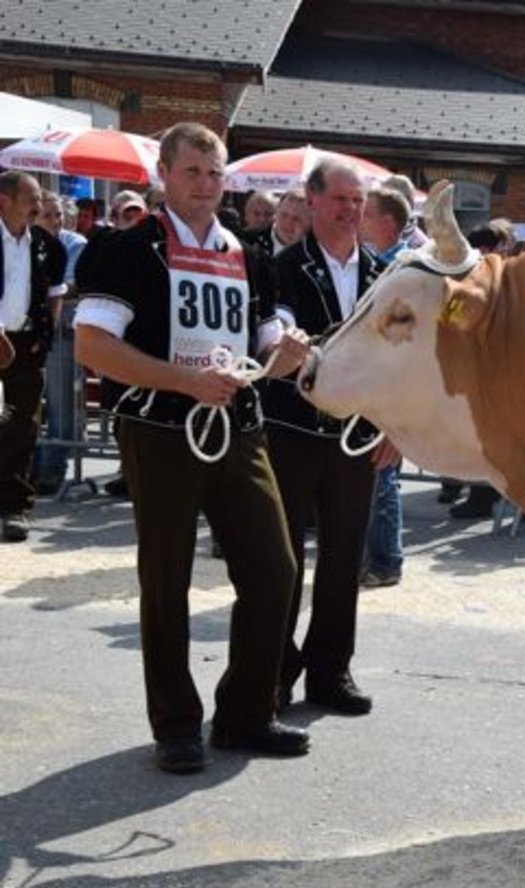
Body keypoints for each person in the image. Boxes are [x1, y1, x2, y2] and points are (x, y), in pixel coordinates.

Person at [72, 122, 312, 772]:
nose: (206, 185)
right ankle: (176, 724)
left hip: (238, 428)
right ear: (164, 175)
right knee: (167, 579)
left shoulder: (249, 255)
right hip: (160, 430)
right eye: (192, 172)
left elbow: (267, 347)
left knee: (276, 569)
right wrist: (185, 380)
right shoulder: (127, 250)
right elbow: (93, 346)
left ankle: (245, 713)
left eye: (214, 173)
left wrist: (288, 355)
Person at [263, 157, 390, 714]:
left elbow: (399, 359)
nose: (350, 210)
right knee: (283, 560)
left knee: (344, 559)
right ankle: (274, 671)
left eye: (358, 201)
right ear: (311, 200)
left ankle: (331, 671)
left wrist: (394, 425)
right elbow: (279, 340)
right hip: (292, 430)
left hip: (356, 436)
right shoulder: (284, 266)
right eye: (340, 199)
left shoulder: (383, 273)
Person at [0, 171, 67, 541]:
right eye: (31, 199)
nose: (38, 206)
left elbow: (55, 294)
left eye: (40, 198)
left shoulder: (46, 245)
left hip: (26, 347)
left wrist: (45, 335)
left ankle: (15, 508)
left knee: (22, 427)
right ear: (4, 200)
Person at [358, 186, 412, 589]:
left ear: (388, 222)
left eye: (368, 212)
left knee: (384, 475)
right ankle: (376, 557)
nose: (360, 218)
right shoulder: (377, 264)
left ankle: (387, 560)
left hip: (390, 387)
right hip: (374, 384)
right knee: (377, 476)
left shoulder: (400, 270)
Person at [31, 191, 87, 495]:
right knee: (24, 402)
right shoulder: (20, 241)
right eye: (47, 215)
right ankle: (30, 462)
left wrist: (36, 290)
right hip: (25, 332)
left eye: (59, 215)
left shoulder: (74, 243)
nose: (55, 221)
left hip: (61, 332)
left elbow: (68, 286)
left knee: (60, 401)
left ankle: (53, 465)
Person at [246, 189, 308, 256]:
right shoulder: (249, 242)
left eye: (296, 219)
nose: (288, 223)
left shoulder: (312, 252)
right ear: (276, 213)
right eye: (284, 215)